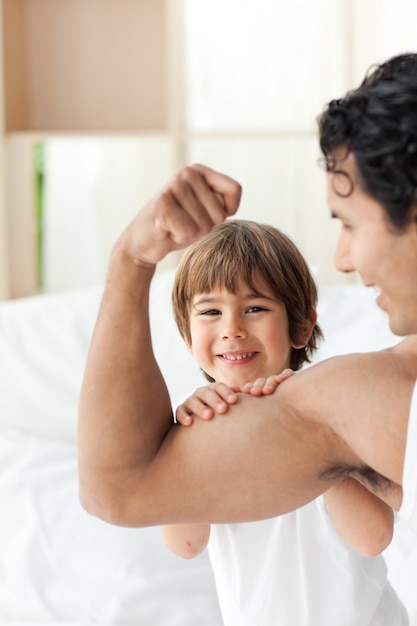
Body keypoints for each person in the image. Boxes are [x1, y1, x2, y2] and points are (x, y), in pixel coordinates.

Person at [78, 52, 417, 541]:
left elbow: (117, 490)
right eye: (210, 311)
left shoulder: (367, 398)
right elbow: (118, 491)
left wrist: (133, 260)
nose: (342, 259)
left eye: (349, 222)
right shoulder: (353, 399)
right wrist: (132, 259)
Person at [160, 219, 406, 625]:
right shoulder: (201, 423)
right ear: (188, 336)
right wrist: (189, 437)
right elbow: (185, 543)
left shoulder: (335, 408)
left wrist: (315, 425)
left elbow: (372, 537)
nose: (232, 329)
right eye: (210, 312)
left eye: (255, 308)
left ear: (301, 326)